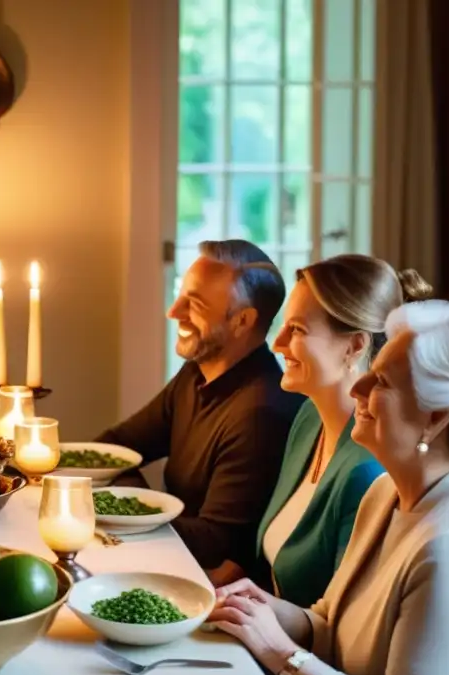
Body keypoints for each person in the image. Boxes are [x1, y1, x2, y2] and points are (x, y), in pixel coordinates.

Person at [210, 300, 449, 675]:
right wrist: (261, 610)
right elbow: (334, 621)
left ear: (437, 417)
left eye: (382, 381)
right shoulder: (388, 490)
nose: (359, 386)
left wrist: (280, 652)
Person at [95, 240, 303, 579]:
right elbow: (120, 447)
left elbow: (216, 542)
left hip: (200, 586)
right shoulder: (197, 371)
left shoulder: (260, 413)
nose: (173, 311)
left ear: (242, 321)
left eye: (194, 304)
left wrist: (121, 503)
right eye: (180, 294)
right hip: (169, 557)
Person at [250, 256, 431, 607]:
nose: (277, 344)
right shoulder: (308, 419)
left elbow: (339, 627)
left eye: (297, 330)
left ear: (355, 346)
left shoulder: (367, 473)